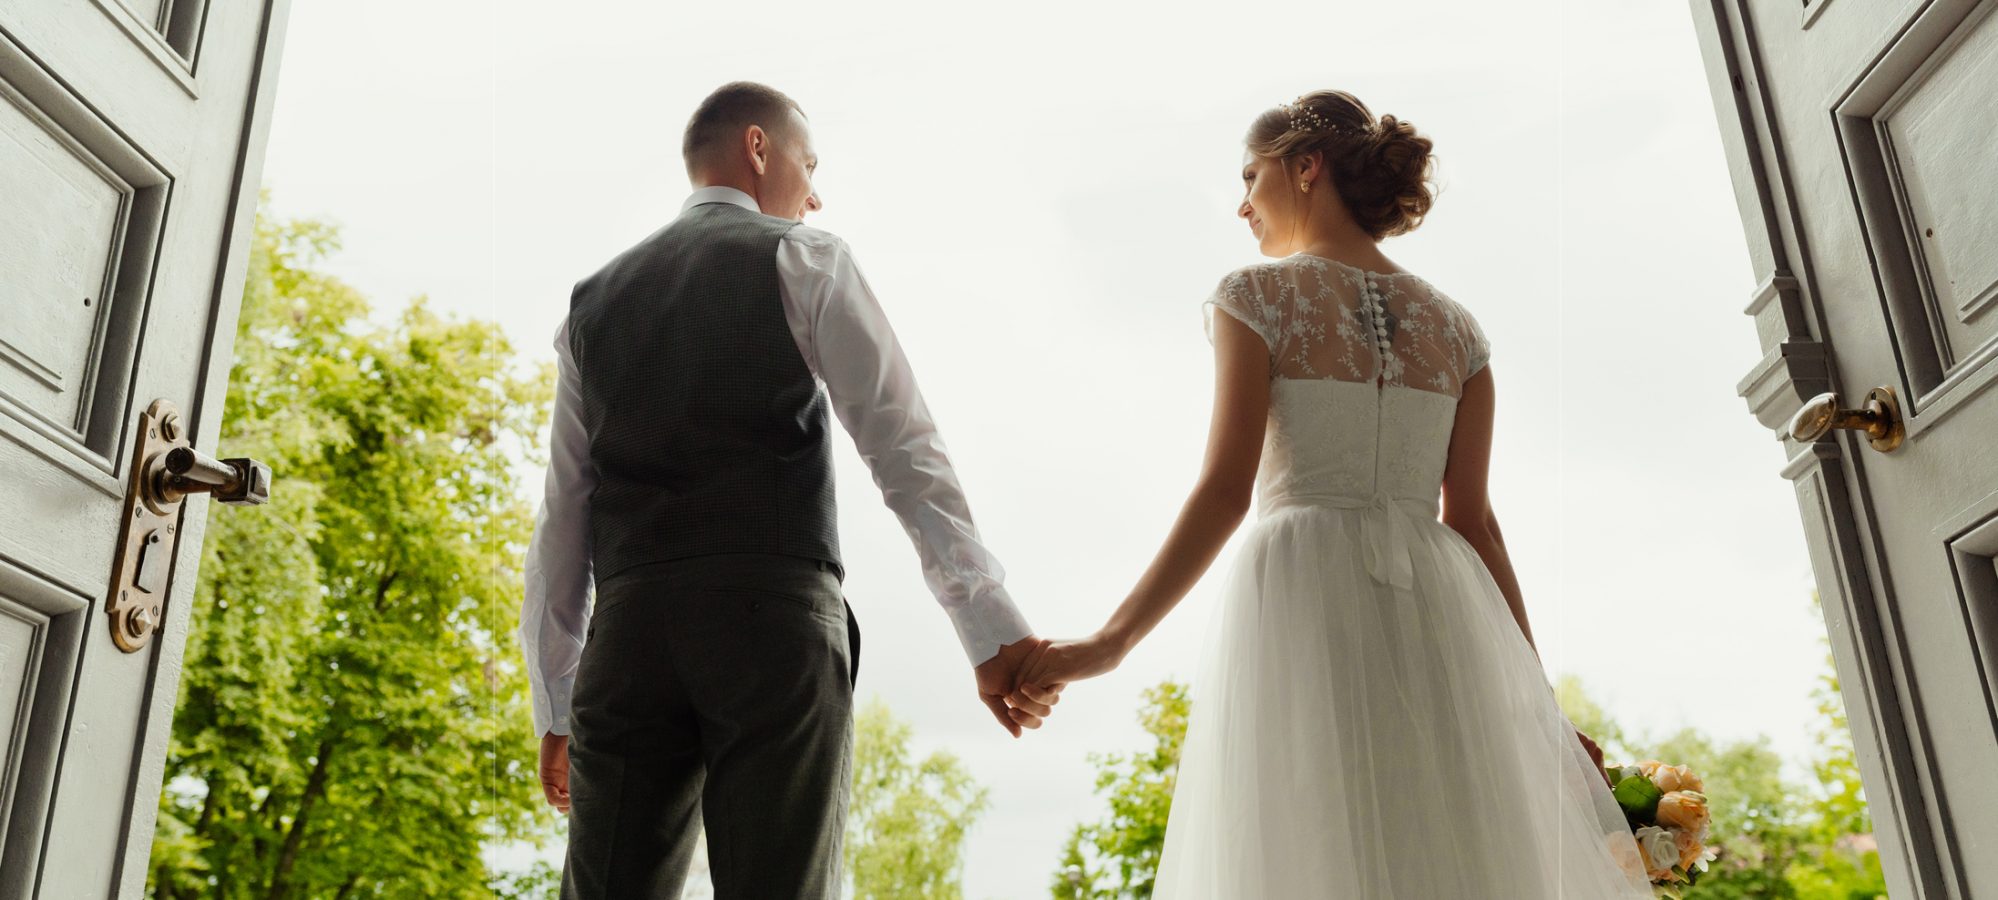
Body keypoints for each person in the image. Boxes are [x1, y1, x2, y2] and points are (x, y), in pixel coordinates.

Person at [1014, 89, 1655, 897]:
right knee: (1448, 838)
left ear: (1305, 167)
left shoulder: (1254, 296)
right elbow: (1476, 524)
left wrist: (1108, 644)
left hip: (1303, 586)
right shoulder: (1459, 330)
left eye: (1251, 176)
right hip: (1443, 606)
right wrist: (1538, 706)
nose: (1240, 203)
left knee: (1306, 836)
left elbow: (1224, 491)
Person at [517, 81, 1061, 899]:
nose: (816, 192)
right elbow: (903, 446)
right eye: (810, 164)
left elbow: (563, 517)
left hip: (628, 644)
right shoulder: (806, 257)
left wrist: (556, 704)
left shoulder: (589, 306)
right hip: (770, 626)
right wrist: (990, 630)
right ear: (759, 149)